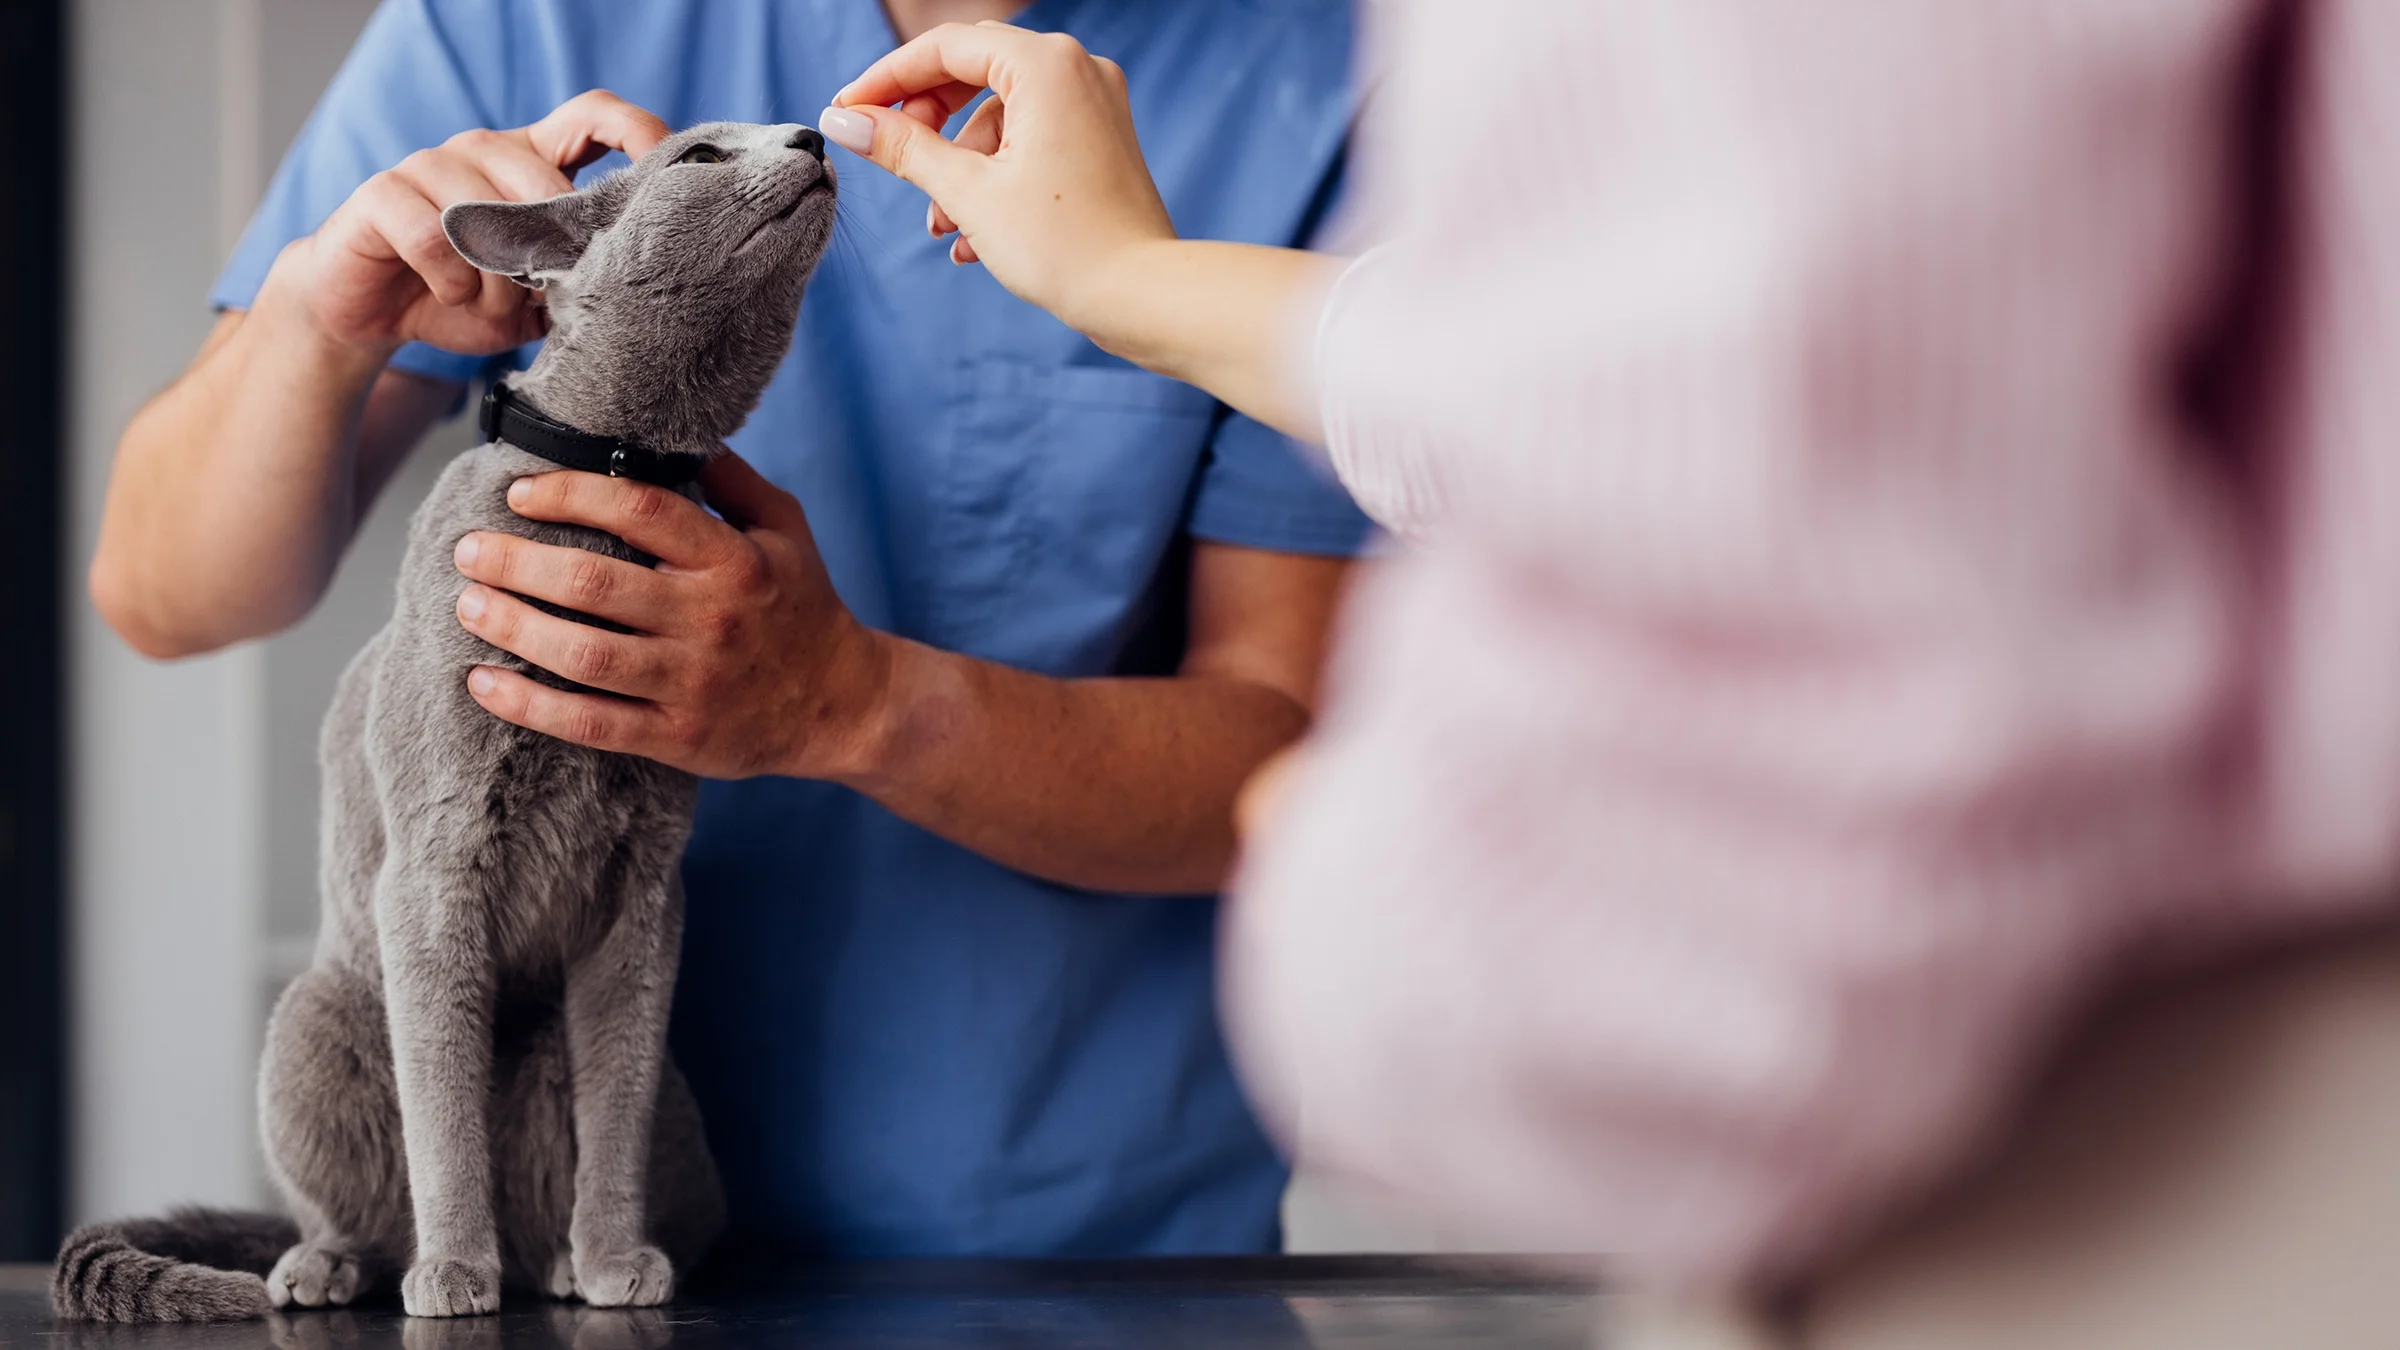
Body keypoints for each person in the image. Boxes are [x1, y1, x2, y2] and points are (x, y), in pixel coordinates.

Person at [822, 0, 2400, 1334]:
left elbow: (1729, 861)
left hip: (2123, 1150)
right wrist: (1131, 286)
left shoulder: (1320, 70)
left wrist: (1359, 859)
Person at [88, 0, 1374, 1258]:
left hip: (1066, 1243)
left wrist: (859, 706)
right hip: (546, 1250)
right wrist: (315, 326)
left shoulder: (1320, 86)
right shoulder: (522, 24)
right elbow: (164, 586)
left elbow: (1291, 766)